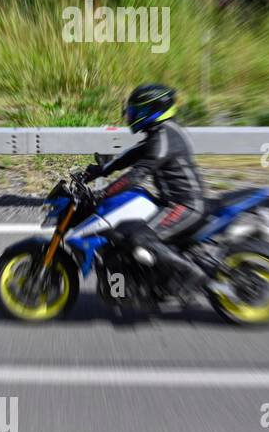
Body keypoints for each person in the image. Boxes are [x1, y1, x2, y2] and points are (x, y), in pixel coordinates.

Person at [84, 83, 227, 297]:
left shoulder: (163, 137)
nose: (131, 116)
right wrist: (98, 171)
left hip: (185, 206)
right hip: (173, 202)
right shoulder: (161, 133)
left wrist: (102, 194)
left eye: (136, 111)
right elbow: (131, 156)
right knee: (123, 229)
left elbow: (136, 175)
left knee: (139, 238)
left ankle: (190, 273)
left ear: (154, 109)